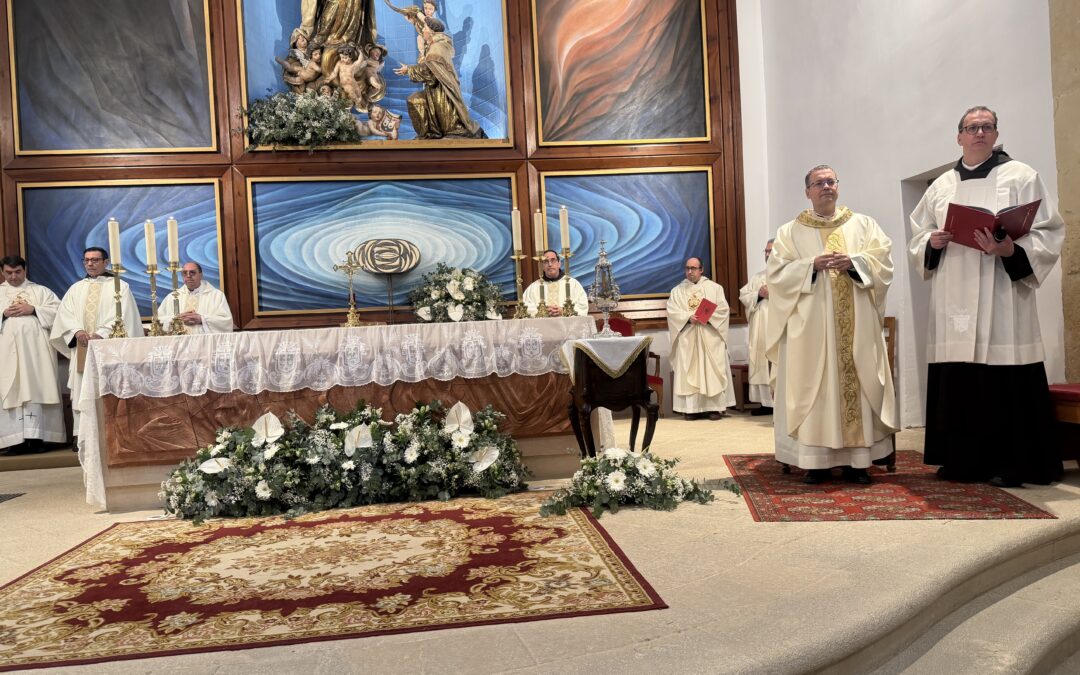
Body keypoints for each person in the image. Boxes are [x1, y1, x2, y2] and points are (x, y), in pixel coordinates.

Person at [909, 106, 1064, 487]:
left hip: (1002, 293)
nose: (979, 133)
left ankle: (1014, 464)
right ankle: (962, 462)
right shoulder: (941, 185)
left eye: (987, 127)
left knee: (1004, 378)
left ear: (996, 134)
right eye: (972, 127)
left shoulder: (1022, 176)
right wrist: (932, 241)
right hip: (954, 290)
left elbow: (1048, 230)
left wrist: (1011, 250)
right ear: (958, 136)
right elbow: (918, 234)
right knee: (961, 380)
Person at [766, 166, 898, 484]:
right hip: (811, 332)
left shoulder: (864, 225)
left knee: (860, 383)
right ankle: (817, 463)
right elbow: (776, 275)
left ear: (838, 187)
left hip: (857, 328)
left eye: (831, 182)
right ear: (807, 192)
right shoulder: (789, 232)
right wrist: (810, 265)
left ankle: (858, 463)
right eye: (818, 183)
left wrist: (856, 262)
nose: (826, 187)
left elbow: (884, 263)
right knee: (815, 387)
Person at [50, 247, 143, 430]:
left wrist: (102, 333)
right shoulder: (75, 289)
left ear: (105, 262)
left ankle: (112, 432)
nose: (90, 264)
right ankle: (81, 433)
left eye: (95, 260)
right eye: (87, 260)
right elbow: (65, 315)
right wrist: (77, 331)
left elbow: (124, 314)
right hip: (83, 348)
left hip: (109, 348)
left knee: (109, 388)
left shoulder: (119, 287)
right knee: (82, 389)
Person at [0, 256, 64, 454]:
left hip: (37, 355)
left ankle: (39, 438)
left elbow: (60, 313)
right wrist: (3, 314)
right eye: (8, 272)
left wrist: (34, 310)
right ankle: (15, 440)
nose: (13, 276)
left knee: (38, 387)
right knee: (12, 389)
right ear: (2, 272)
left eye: (17, 272)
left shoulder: (40, 291)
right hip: (7, 354)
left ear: (25, 270)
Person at [666, 257, 736, 420]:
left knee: (711, 371)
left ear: (701, 269)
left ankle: (714, 408)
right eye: (687, 268)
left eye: (693, 268)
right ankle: (691, 409)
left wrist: (706, 317)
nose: (690, 272)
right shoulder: (677, 291)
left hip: (709, 336)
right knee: (689, 370)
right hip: (688, 337)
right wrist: (688, 317)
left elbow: (723, 310)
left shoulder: (715, 288)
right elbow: (672, 312)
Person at [393, 19, 487, 139]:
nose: (423, 31)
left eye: (425, 28)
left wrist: (409, 70)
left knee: (449, 125)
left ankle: (435, 132)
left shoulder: (437, 47)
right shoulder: (437, 45)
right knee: (414, 100)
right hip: (435, 90)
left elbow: (429, 72)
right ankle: (428, 133)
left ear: (432, 32)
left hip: (442, 93)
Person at [739, 238, 774, 416]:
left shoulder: (788, 274)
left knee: (776, 364)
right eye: (766, 251)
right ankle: (765, 403)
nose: (768, 255)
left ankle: (779, 403)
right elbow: (744, 295)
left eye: (771, 251)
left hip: (778, 327)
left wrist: (773, 294)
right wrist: (758, 294)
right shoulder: (758, 277)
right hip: (760, 327)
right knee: (760, 361)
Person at [157, 262, 233, 334]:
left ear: (201, 275)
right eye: (184, 273)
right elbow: (159, 321)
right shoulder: (173, 297)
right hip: (180, 343)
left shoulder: (216, 296)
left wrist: (202, 319)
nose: (188, 276)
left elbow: (226, 322)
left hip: (205, 343)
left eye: (192, 272)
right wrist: (177, 319)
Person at [522, 249, 588, 317]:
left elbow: (582, 306)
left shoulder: (573, 284)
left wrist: (564, 311)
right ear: (542, 266)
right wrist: (543, 311)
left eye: (553, 260)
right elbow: (525, 307)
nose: (550, 264)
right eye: (546, 261)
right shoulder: (534, 287)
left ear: (559, 264)